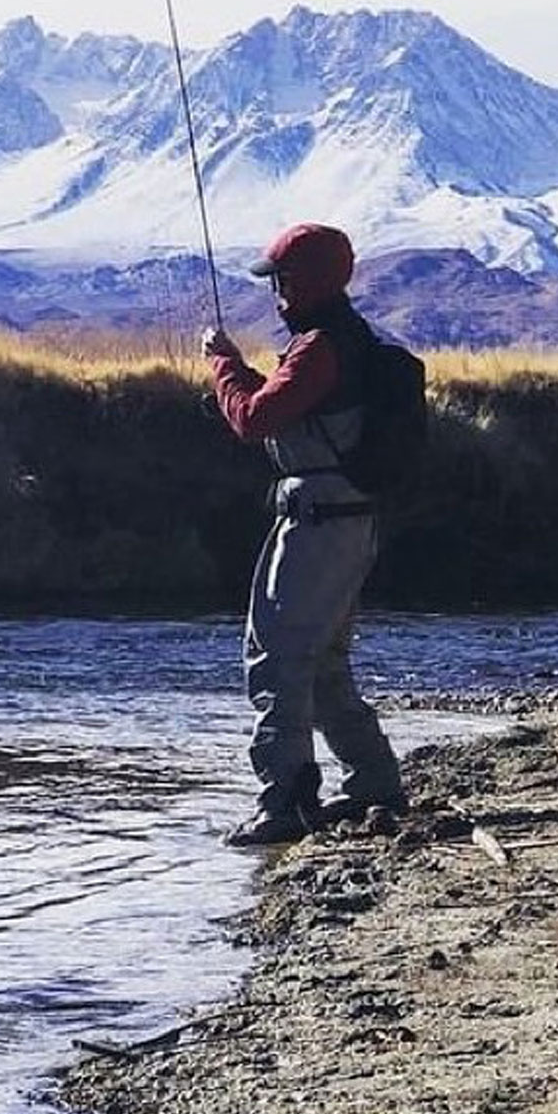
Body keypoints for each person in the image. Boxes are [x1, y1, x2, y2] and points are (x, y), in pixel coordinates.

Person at [201, 222, 409, 848]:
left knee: (280, 662)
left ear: (310, 282)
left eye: (284, 281)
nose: (277, 294)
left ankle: (285, 803)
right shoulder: (351, 343)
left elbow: (253, 418)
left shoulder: (321, 349)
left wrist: (223, 363)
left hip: (318, 525)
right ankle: (373, 783)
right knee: (323, 666)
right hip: (344, 522)